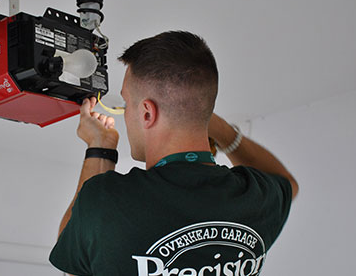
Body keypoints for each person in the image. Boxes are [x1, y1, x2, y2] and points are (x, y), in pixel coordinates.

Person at [49, 31, 298, 276]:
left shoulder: (108, 200)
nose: (125, 114)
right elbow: (288, 183)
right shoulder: (255, 198)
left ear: (147, 113)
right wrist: (219, 127)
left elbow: (73, 257)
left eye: (126, 104)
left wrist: (100, 149)